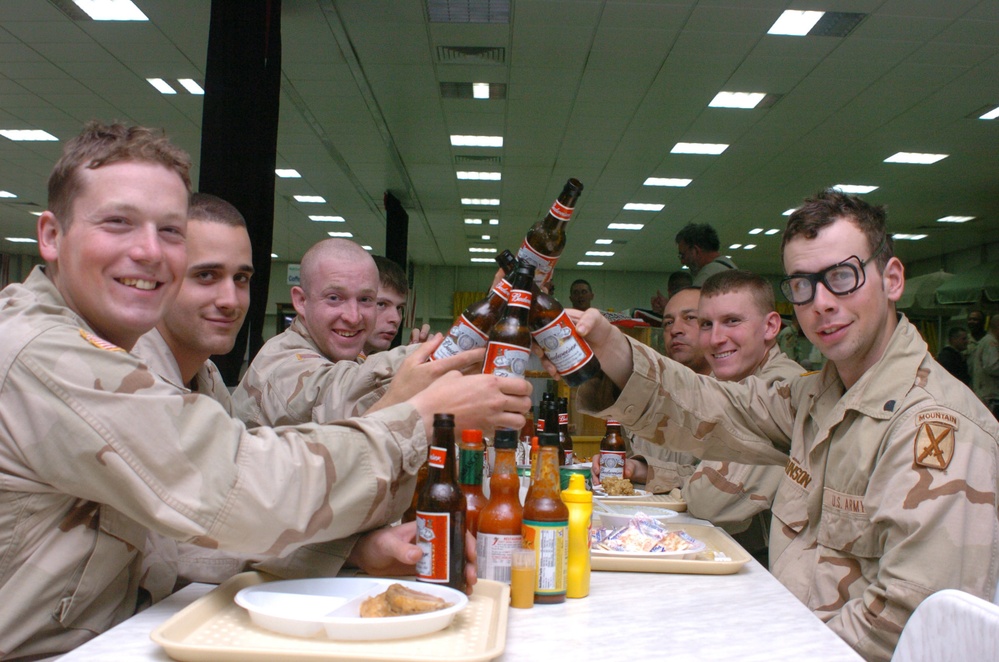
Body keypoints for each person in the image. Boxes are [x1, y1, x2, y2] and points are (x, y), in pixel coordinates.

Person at [0, 121, 531, 658]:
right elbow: (241, 489)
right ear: (50, 236)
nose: (149, 252)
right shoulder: (46, 353)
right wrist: (417, 418)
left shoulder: (190, 374)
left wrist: (356, 553)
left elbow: (186, 541)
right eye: (118, 223)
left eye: (170, 232)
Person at [572, 189, 999, 661]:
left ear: (892, 278)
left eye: (842, 276)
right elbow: (713, 407)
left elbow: (908, 624)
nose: (821, 302)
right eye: (802, 284)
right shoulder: (816, 397)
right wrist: (610, 347)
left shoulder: (936, 427)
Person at [133, 194, 430, 604]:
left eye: (241, 279)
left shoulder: (207, 376)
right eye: (205, 276)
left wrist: (355, 550)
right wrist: (448, 354)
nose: (229, 299)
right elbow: (193, 532)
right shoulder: (131, 377)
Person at [232, 239, 485, 428]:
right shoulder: (282, 363)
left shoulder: (350, 358)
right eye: (334, 298)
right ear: (300, 301)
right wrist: (445, 349)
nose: (353, 317)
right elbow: (338, 394)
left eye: (366, 300)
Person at [682, 270, 803, 565]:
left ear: (771, 326)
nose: (715, 339)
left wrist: (680, 484)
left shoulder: (781, 388)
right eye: (707, 324)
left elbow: (708, 502)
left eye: (732, 321)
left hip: (770, 570)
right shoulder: (728, 383)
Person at [592, 287, 706, 493]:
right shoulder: (647, 391)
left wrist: (645, 471)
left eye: (690, 318)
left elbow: (714, 484)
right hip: (640, 516)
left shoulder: (734, 398)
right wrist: (615, 464)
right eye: (668, 322)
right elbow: (624, 457)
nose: (676, 329)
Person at [364, 255, 429, 355]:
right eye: (381, 304)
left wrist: (413, 358)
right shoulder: (334, 367)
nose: (396, 319)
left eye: (399, 308)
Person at [971, 315, 999, 418]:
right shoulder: (990, 343)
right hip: (990, 396)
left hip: (986, 393)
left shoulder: (985, 341)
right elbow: (992, 367)